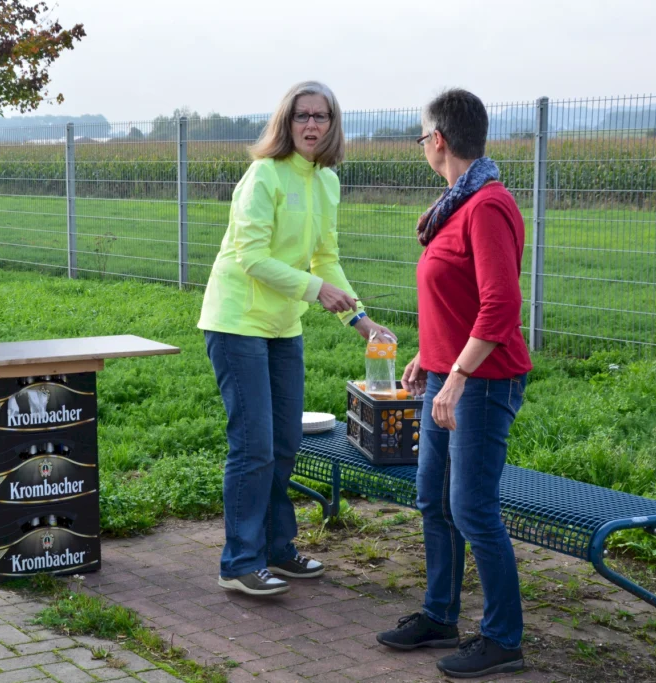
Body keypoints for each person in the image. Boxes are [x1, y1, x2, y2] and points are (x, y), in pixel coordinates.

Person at [198, 81, 395, 597]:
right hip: (237, 321)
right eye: (302, 116)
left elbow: (325, 260)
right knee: (253, 446)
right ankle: (239, 562)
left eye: (322, 117)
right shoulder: (263, 175)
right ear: (285, 123)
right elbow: (252, 258)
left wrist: (362, 320)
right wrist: (314, 290)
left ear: (333, 125)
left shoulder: (326, 181)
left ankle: (277, 549)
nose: (312, 125)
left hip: (285, 325)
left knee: (284, 445)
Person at [375, 89, 532, 678]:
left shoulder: (487, 206)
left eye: (422, 136)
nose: (423, 145)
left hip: (484, 382)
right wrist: (430, 356)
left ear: (437, 139)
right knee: (433, 500)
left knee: (472, 508)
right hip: (448, 371)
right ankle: (440, 613)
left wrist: (459, 374)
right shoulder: (456, 204)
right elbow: (458, 299)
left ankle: (503, 638)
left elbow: (499, 307)